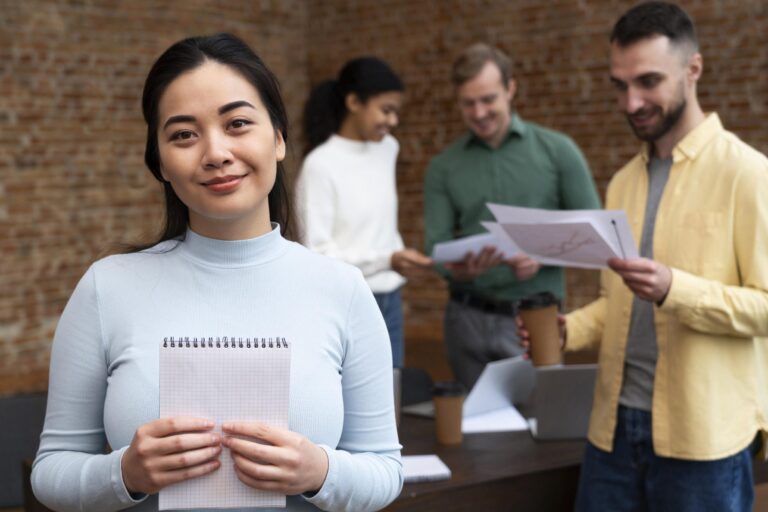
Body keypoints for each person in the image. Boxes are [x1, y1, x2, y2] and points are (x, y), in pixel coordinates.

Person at [31, 33, 403, 512]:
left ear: (280, 139)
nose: (215, 152)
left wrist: (320, 472)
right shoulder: (108, 287)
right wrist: (123, 473)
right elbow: (51, 470)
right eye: (184, 134)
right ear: (160, 162)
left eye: (238, 123)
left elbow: (385, 470)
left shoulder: (343, 289)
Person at [520, 3, 768, 510]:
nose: (631, 102)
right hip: (612, 430)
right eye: (619, 85)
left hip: (703, 440)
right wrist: (575, 329)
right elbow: (623, 302)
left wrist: (677, 289)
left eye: (648, 82)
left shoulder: (748, 174)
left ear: (692, 69)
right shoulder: (623, 183)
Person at [423, 43, 601, 389]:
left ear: (511, 89)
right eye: (468, 103)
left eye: (488, 99)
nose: (479, 112)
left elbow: (594, 233)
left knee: (540, 425)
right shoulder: (443, 167)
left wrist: (541, 255)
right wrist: (456, 268)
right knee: (476, 435)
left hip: (535, 316)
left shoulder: (558, 151)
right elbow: (436, 246)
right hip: (466, 318)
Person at [296, 57, 432, 368]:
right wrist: (388, 259)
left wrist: (396, 257)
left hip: (391, 299)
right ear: (354, 102)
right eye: (386, 110)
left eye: (396, 111)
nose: (393, 121)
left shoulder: (388, 149)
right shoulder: (320, 164)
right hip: (346, 305)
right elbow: (316, 255)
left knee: (390, 396)